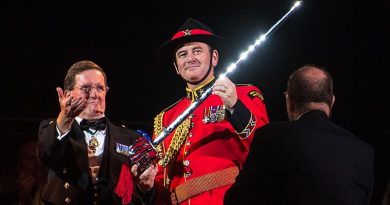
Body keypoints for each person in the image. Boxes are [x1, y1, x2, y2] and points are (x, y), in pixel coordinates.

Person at [146, 18, 269, 205]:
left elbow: (264, 146)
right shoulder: (165, 118)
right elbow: (161, 180)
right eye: (182, 54)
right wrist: (145, 184)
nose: (190, 58)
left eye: (197, 51)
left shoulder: (242, 94)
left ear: (214, 58)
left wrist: (235, 106)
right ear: (176, 67)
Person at [224, 65, 375, 205]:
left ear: (289, 101)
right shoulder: (365, 152)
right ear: (332, 101)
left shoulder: (272, 137)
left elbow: (237, 199)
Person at [37, 60, 155, 205]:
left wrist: (144, 188)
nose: (94, 94)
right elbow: (47, 155)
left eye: (100, 88)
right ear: (68, 94)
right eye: (86, 88)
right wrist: (64, 120)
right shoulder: (54, 128)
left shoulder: (130, 138)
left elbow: (139, 198)